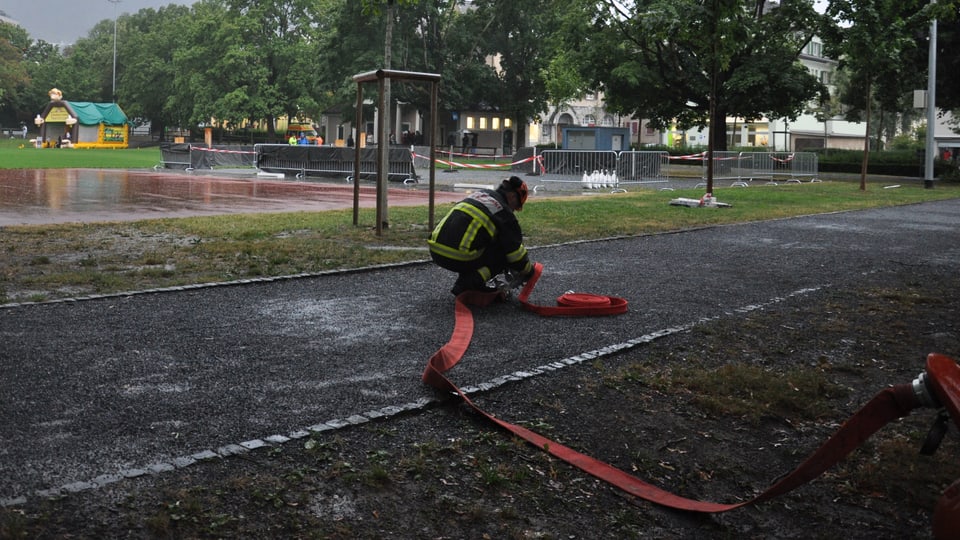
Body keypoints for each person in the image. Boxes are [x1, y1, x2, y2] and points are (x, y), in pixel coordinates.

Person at [428, 176, 535, 295]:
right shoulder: (504, 213)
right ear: (512, 196)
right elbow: (515, 255)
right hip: (458, 256)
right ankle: (469, 283)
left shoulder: (480, 194)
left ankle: (466, 281)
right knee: (503, 253)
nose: (514, 210)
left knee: (479, 242)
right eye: (516, 206)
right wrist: (529, 271)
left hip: (435, 251)